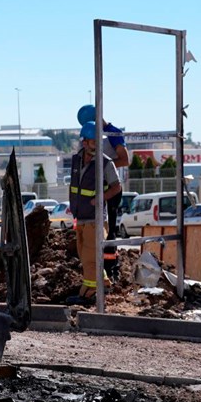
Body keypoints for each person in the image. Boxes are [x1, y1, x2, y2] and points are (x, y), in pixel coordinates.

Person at [67, 121, 122, 306]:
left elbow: (117, 187)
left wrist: (100, 199)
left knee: (90, 259)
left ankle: (90, 293)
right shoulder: (76, 161)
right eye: (93, 141)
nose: (97, 145)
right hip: (80, 217)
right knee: (85, 257)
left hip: (95, 219)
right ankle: (103, 283)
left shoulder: (105, 163)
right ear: (85, 142)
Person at [77, 104, 129, 277]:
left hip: (111, 189)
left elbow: (124, 159)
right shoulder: (91, 136)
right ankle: (97, 265)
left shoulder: (112, 133)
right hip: (97, 189)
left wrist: (103, 165)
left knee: (109, 230)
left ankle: (110, 266)